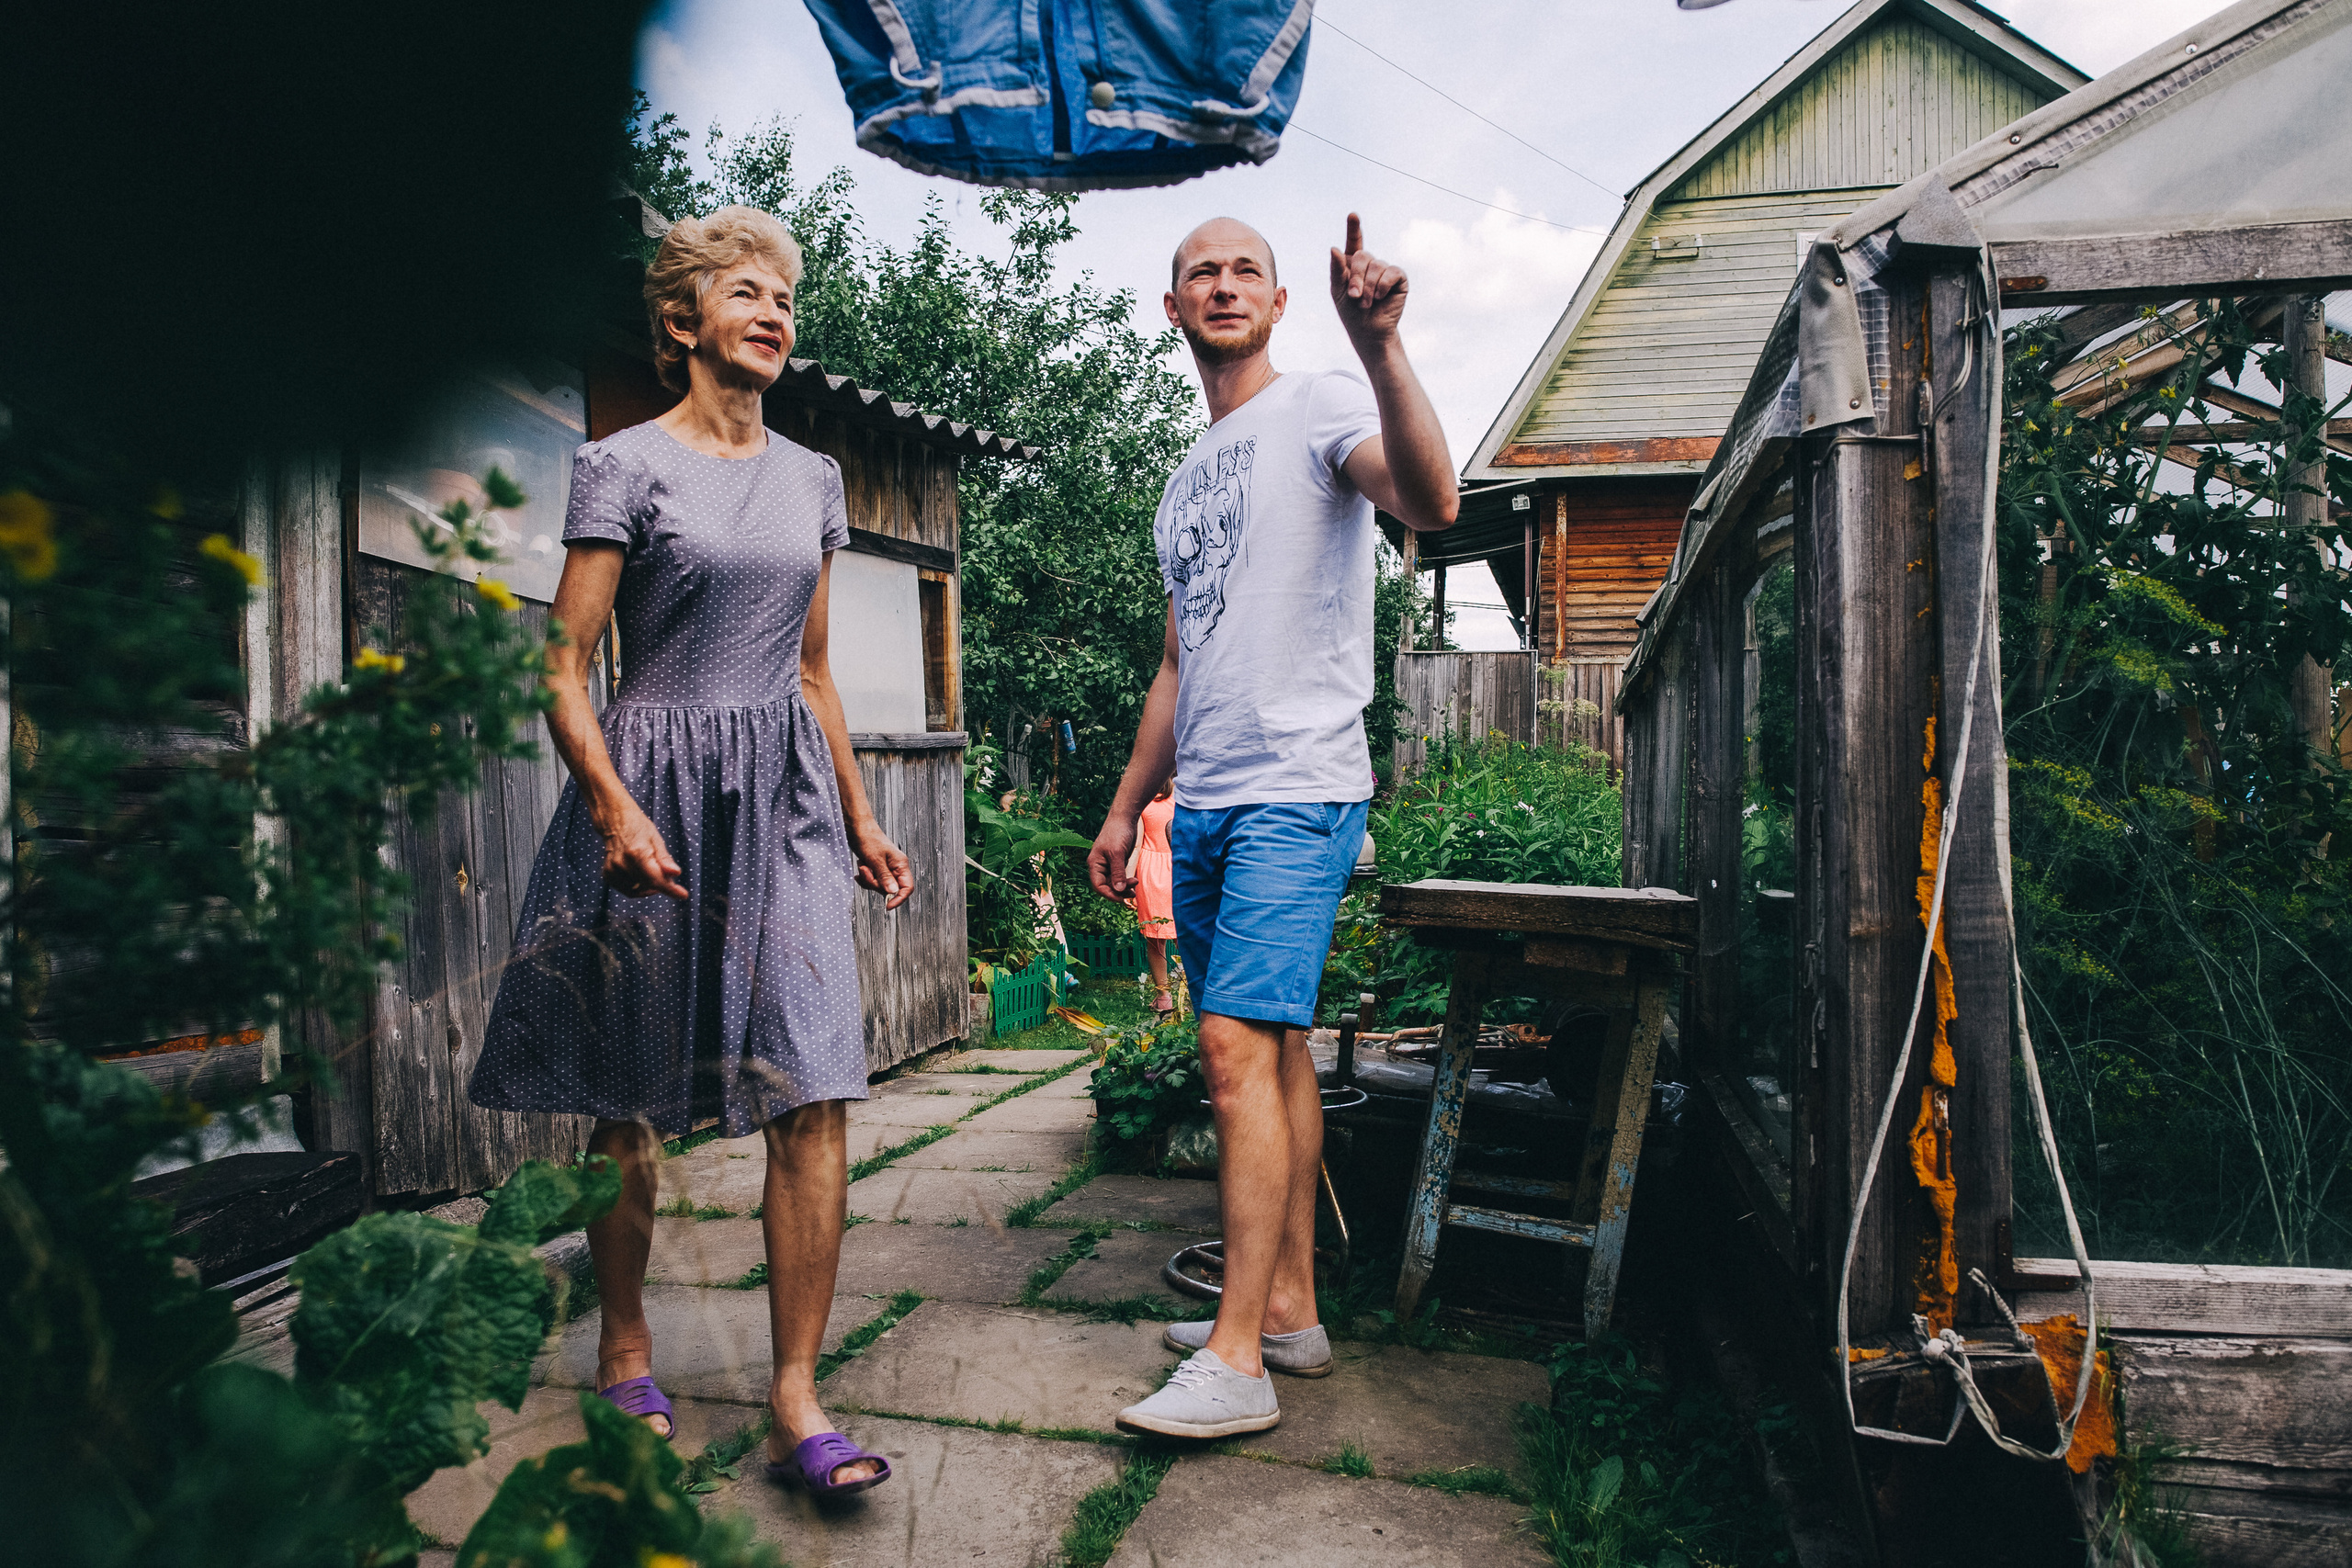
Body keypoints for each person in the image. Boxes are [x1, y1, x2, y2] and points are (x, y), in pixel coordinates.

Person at [467, 206, 909, 1495]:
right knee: (629, 1093)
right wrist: (611, 803)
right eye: (746, 291)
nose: (774, 312)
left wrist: (863, 816)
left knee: (814, 1079)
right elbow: (563, 664)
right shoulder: (622, 466)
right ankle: (624, 1346)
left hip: (785, 802)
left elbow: (813, 672)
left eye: (786, 297)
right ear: (682, 321)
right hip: (653, 787)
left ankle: (794, 1398)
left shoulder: (814, 479)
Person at [1088, 214, 1456, 1438]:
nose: (1224, 284)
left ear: (1281, 300)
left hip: (1297, 785)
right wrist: (1127, 805)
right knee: (1277, 1051)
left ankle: (1237, 1361)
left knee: (1232, 1046)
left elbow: (1432, 499)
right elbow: (1178, 663)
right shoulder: (1183, 481)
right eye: (1202, 270)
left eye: (1246, 268)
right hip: (1206, 799)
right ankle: (1290, 1310)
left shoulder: (1320, 402)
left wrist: (1381, 344)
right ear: (1173, 306)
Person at [1127, 780, 1178, 1015]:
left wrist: (1128, 880)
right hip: (1179, 867)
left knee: (1155, 937)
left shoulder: (1143, 799)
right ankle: (1198, 992)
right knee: (1185, 935)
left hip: (1150, 872)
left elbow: (1137, 846)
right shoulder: (1185, 796)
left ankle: (1164, 998)